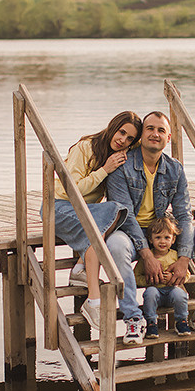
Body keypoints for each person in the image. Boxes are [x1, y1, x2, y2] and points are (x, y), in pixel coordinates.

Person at [105, 110, 195, 344]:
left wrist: (184, 258)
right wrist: (147, 254)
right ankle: (134, 318)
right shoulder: (122, 166)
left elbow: (184, 215)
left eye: (161, 130)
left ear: (169, 138)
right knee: (114, 245)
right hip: (130, 234)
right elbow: (126, 216)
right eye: (150, 129)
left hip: (162, 234)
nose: (155, 134)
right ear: (142, 135)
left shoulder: (175, 168)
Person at [49, 111, 143, 330]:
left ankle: (82, 267)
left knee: (116, 210)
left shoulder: (120, 153)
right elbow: (71, 190)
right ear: (113, 125)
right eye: (121, 132)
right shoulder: (86, 147)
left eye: (130, 139)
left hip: (86, 211)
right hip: (60, 207)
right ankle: (93, 300)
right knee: (107, 215)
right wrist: (104, 170)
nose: (123, 140)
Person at [133, 215, 192, 339]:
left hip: (171, 290)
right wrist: (149, 281)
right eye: (158, 238)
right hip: (155, 291)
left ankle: (181, 321)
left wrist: (173, 277)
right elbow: (136, 277)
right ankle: (151, 323)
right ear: (150, 239)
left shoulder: (175, 255)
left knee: (180, 294)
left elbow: (186, 274)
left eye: (167, 238)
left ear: (173, 239)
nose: (162, 241)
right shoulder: (147, 259)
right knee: (150, 293)